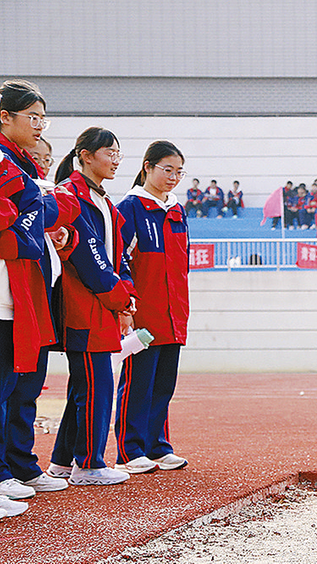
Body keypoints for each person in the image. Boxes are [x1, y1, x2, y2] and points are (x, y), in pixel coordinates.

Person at [0, 80, 80, 501]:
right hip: (8, 291)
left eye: (42, 118)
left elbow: (53, 209)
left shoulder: (20, 166)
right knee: (4, 387)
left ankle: (18, 465)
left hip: (28, 292)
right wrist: (39, 213)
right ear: (4, 117)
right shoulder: (4, 161)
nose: (39, 126)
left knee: (22, 386)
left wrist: (50, 218)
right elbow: (24, 217)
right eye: (32, 117)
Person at [48, 127, 135, 486]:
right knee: (96, 385)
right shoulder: (71, 194)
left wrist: (125, 291)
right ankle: (89, 462)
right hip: (83, 305)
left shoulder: (104, 202)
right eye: (109, 152)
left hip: (103, 304)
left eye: (118, 153)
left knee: (85, 387)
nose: (115, 160)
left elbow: (118, 256)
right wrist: (120, 297)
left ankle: (62, 462)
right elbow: (89, 259)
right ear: (84, 155)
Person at [114, 140, 190, 474]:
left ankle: (158, 445)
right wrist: (126, 306)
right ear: (147, 167)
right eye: (167, 170)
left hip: (173, 314)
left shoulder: (177, 210)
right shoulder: (130, 208)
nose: (173, 178)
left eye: (179, 172)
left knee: (163, 384)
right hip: (143, 313)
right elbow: (120, 260)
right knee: (137, 383)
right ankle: (130, 450)